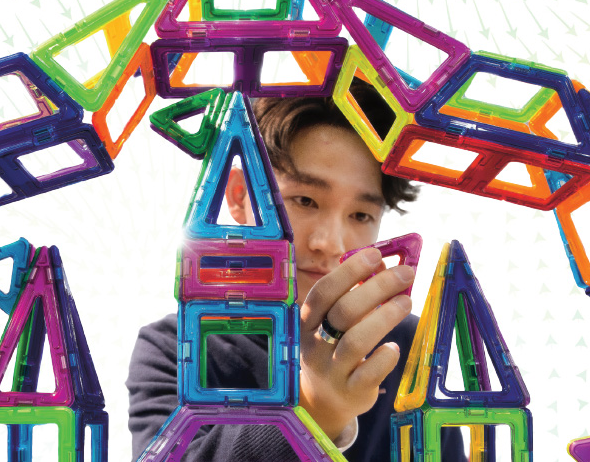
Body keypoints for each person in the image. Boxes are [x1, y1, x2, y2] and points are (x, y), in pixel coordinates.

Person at [126, 80, 466, 461]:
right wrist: (313, 409)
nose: (330, 243)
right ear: (240, 195)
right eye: (304, 200)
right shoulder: (173, 348)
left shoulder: (408, 345)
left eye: (361, 215)